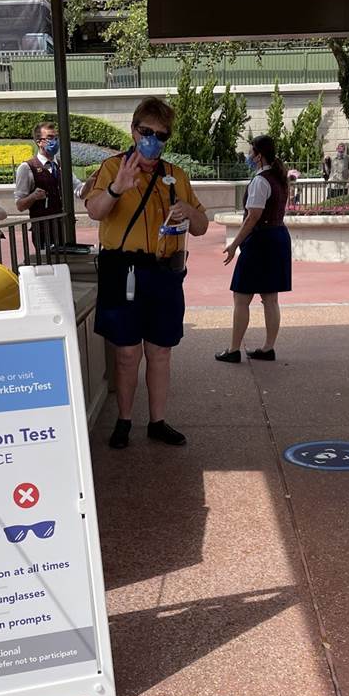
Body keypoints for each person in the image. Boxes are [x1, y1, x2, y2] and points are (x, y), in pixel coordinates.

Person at [85, 97, 210, 450]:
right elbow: (95, 210)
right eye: (146, 132)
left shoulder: (176, 176)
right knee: (127, 354)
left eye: (161, 134)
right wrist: (117, 188)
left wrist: (189, 212)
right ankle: (124, 420)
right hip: (123, 270)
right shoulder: (112, 168)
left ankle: (157, 422)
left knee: (160, 351)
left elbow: (201, 225)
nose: (153, 140)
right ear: (133, 131)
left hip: (164, 274)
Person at [216, 135, 292, 364]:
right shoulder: (279, 178)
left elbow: (253, 217)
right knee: (270, 297)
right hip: (278, 237)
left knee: (241, 296)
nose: (249, 157)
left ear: (259, 156)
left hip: (260, 241)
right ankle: (268, 348)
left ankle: (233, 349)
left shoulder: (260, 181)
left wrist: (234, 244)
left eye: (251, 153)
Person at [14, 121, 88, 253]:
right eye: (50, 138)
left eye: (56, 137)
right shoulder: (27, 168)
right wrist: (33, 197)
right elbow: (20, 205)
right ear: (39, 142)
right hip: (43, 232)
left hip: (64, 230)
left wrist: (92, 181)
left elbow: (79, 191)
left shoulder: (62, 165)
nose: (54, 141)